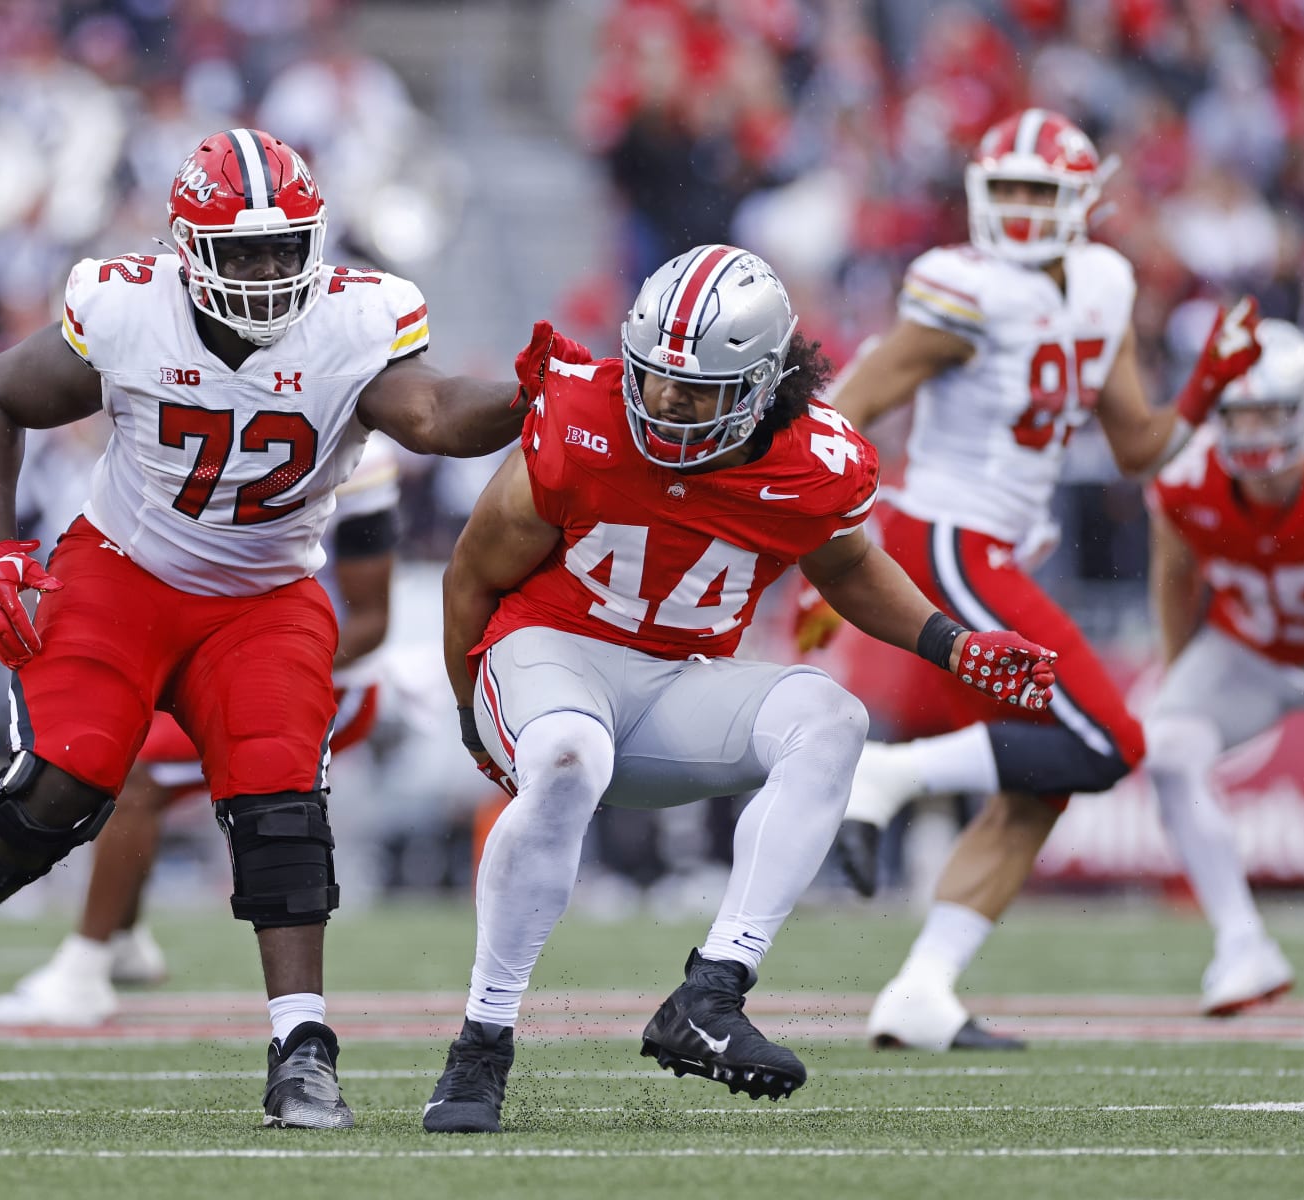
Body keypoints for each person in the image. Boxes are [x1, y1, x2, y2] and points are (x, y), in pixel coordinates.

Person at [0, 128, 537, 1130]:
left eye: (283, 249)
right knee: (67, 776)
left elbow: (432, 412)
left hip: (264, 595)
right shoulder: (130, 310)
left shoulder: (354, 320)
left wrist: (527, 394)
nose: (266, 273)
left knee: (282, 800)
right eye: (243, 252)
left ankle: (302, 1047)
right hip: (124, 572)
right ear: (188, 250)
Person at [421, 244, 1057, 1135]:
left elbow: (846, 565)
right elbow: (471, 575)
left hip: (678, 682)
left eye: (698, 389)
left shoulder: (815, 461)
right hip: (549, 656)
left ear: (765, 384)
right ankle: (481, 1045)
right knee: (568, 752)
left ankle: (712, 992)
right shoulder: (582, 417)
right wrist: (471, 713)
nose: (665, 401)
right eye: (654, 377)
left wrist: (951, 643)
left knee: (831, 717)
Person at [806, 109, 1265, 1050]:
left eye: (1038, 191)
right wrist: (822, 549)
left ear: (1082, 203)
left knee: (1042, 778)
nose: (1018, 207)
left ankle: (922, 989)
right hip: (947, 540)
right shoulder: (966, 289)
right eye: (1006, 188)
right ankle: (889, 774)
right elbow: (851, 405)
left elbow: (1137, 446)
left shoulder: (1102, 282)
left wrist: (1204, 389)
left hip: (994, 552)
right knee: (1109, 741)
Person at [0, 435, 402, 1024]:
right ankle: (122, 939)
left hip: (318, 674)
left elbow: (372, 620)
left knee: (142, 779)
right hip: (207, 651)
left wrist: (267, 667)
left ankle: (85, 970)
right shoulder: (192, 408)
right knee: (106, 750)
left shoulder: (354, 450)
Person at [1141, 320, 1304, 1015]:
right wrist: (1177, 670)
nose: (1251, 432)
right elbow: (1173, 576)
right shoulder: (1188, 477)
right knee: (1168, 748)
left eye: (1268, 413)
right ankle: (1242, 943)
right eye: (1237, 415)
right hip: (1251, 652)